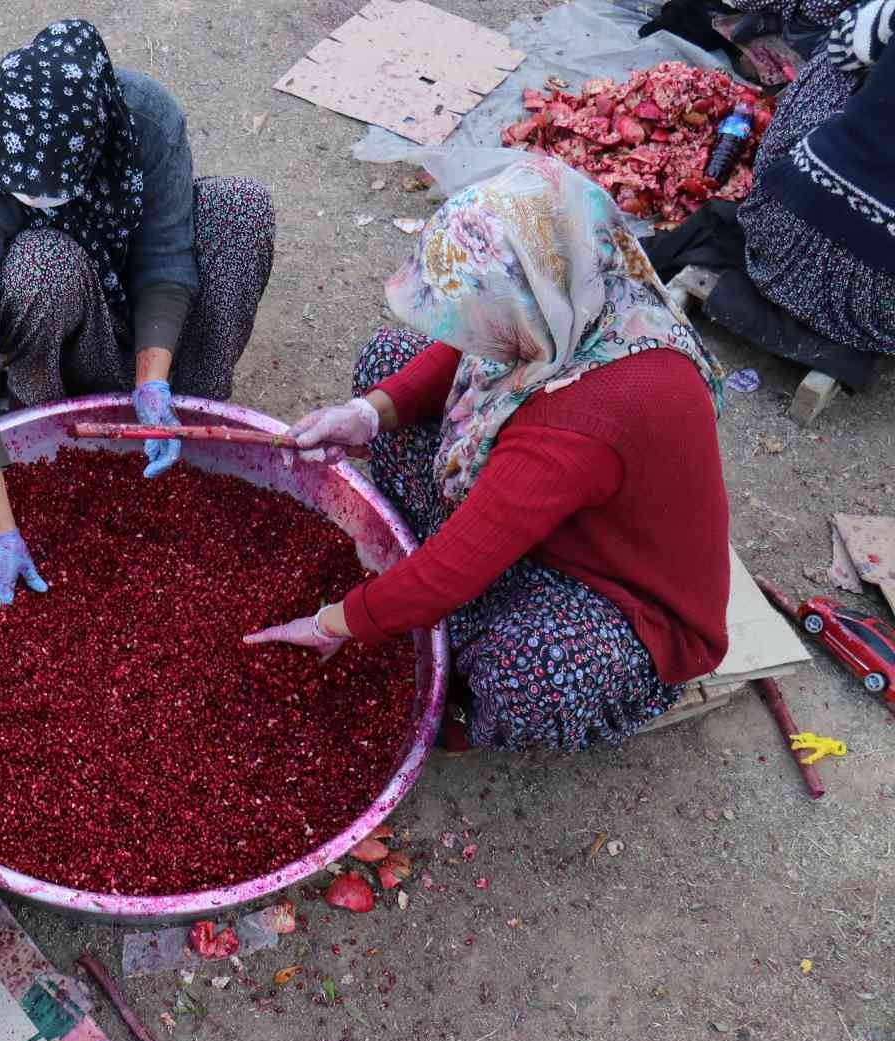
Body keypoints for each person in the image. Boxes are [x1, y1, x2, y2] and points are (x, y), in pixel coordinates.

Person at [244, 157, 731, 752]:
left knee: (531, 669)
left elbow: (455, 571)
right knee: (390, 362)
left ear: (528, 305)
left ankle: (473, 713)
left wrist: (330, 624)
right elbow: (468, 351)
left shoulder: (577, 423)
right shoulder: (580, 294)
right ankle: (420, 584)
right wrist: (366, 414)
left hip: (607, 586)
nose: (466, 334)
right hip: (550, 511)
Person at [0, 19, 275, 614]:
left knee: (238, 208)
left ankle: (182, 415)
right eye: (23, 193)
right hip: (52, 305)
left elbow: (165, 260)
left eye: (51, 190)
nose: (33, 198)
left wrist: (153, 377)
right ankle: (49, 425)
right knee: (43, 264)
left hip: (122, 287)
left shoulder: (146, 120)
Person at [737, 0, 894, 354]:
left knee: (838, 59)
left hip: (779, 240)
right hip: (881, 310)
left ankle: (797, 176)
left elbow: (843, 45)